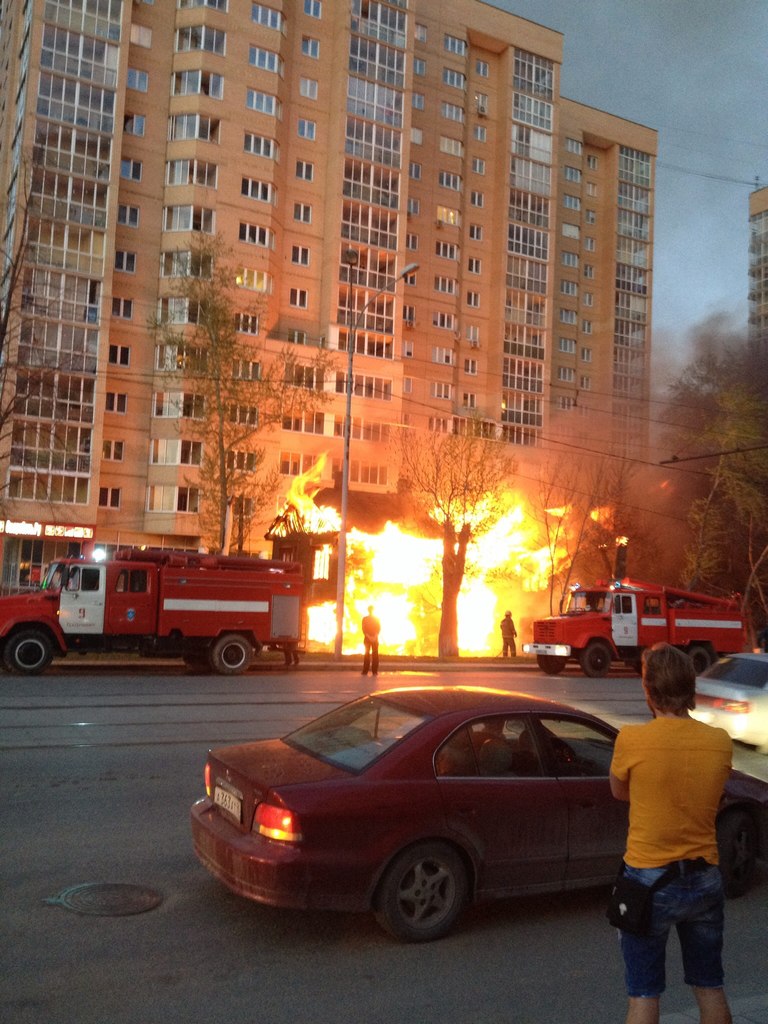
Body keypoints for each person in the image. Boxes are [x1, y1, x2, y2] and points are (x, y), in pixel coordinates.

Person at [609, 642, 733, 1024]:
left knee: (643, 995)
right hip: (703, 877)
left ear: (649, 690)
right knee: (709, 986)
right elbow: (716, 791)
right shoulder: (719, 742)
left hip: (648, 882)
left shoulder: (631, 739)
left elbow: (619, 792)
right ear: (690, 687)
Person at [361, 605, 380, 676]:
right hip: (373, 639)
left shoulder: (365, 619)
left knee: (368, 654)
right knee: (373, 655)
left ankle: (365, 671)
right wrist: (374, 637)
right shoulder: (376, 619)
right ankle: (374, 671)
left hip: (368, 639)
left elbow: (364, 629)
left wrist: (370, 637)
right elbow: (378, 629)